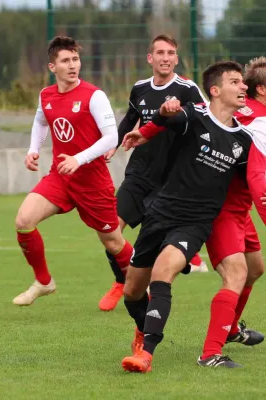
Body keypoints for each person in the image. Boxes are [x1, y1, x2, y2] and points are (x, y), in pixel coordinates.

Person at [118, 60, 266, 373]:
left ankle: (150, 354)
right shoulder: (196, 114)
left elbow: (253, 175)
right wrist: (151, 126)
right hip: (162, 212)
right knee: (132, 291)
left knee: (168, 272)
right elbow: (167, 119)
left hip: (197, 220)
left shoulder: (243, 138)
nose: (243, 88)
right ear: (216, 90)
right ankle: (147, 328)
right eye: (236, 83)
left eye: (243, 83)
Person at [12, 36, 134, 306]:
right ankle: (44, 282)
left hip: (92, 181)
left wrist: (79, 159)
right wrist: (33, 149)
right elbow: (41, 122)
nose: (72, 65)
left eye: (75, 59)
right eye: (65, 61)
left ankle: (139, 286)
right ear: (52, 67)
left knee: (113, 242)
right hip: (61, 177)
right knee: (23, 221)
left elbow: (111, 137)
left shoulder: (94, 95)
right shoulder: (47, 95)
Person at [97, 34, 210, 312]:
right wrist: (111, 146)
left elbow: (206, 122)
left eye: (171, 53)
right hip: (139, 171)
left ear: (176, 59)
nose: (165, 58)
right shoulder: (140, 88)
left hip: (171, 178)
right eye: (160, 52)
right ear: (150, 58)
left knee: (156, 238)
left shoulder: (188, 89)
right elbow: (129, 119)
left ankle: (181, 262)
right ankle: (120, 280)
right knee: (110, 227)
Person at [198, 56, 266, 368]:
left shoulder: (239, 109)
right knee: (237, 273)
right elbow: (253, 173)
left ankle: (230, 328)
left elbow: (244, 168)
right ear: (262, 89)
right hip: (221, 207)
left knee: (255, 268)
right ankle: (210, 354)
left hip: (238, 206)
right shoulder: (265, 122)